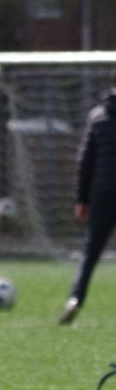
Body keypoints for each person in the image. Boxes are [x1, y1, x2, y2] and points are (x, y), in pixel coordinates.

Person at [59, 70, 116, 325]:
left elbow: (85, 160)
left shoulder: (98, 115)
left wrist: (81, 199)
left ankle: (75, 298)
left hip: (102, 191)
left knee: (91, 250)